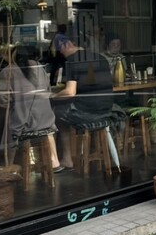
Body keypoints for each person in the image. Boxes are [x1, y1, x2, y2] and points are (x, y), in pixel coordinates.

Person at [52, 39, 124, 170]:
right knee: (66, 109)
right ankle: (90, 149)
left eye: (60, 49)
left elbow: (70, 92)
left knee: (57, 112)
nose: (60, 53)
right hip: (107, 111)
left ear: (67, 44)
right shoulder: (100, 58)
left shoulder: (72, 61)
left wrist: (52, 97)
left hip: (87, 114)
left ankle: (67, 159)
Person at [0, 44, 65, 172]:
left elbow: (4, 100)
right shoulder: (39, 67)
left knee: (10, 125)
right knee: (46, 130)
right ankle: (54, 162)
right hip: (46, 120)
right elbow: (48, 89)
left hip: (26, 123)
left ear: (11, 56)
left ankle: (9, 165)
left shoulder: (8, 70)